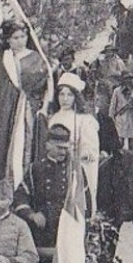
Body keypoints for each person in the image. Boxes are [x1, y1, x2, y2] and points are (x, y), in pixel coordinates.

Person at [14, 124, 90, 263]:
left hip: (67, 232)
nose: (63, 152)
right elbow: (20, 196)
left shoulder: (75, 170)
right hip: (41, 233)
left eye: (65, 148)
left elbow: (86, 203)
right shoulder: (36, 169)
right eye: (58, 147)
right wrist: (32, 215)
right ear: (47, 145)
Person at [0, 21, 50, 183]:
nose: (20, 41)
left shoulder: (36, 58)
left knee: (24, 146)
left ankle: (22, 186)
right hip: (4, 109)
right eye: (15, 38)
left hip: (26, 109)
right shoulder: (3, 56)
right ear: (7, 39)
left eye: (23, 36)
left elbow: (45, 87)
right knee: (1, 146)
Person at [47, 72, 100, 200]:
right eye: (62, 94)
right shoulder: (53, 118)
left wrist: (78, 155)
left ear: (76, 97)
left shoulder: (84, 120)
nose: (65, 99)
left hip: (75, 171)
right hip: (54, 171)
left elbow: (91, 152)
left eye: (69, 95)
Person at [109, 71, 133, 152]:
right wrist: (111, 120)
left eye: (130, 79)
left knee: (132, 145)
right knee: (119, 144)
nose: (128, 81)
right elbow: (112, 106)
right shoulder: (117, 91)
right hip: (121, 121)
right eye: (126, 79)